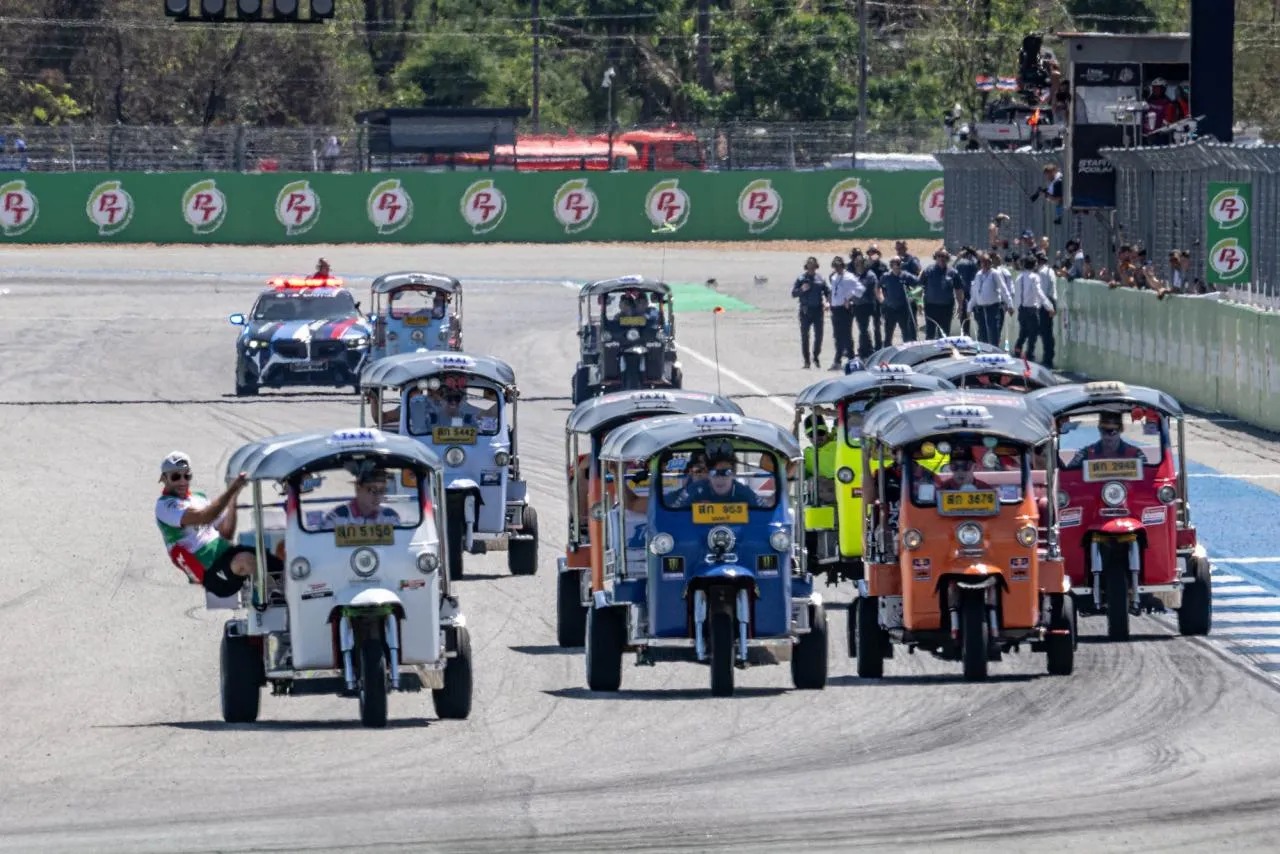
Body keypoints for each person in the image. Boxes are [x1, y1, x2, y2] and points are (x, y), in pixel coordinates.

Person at [154, 451, 281, 598]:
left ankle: (287, 591)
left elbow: (226, 532)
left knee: (276, 561)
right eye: (176, 477)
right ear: (164, 478)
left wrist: (233, 498)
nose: (183, 482)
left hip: (227, 554)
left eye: (187, 476)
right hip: (210, 571)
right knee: (246, 560)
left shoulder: (199, 498)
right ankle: (271, 596)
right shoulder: (165, 506)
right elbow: (204, 516)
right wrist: (232, 489)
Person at [322, 465, 401, 527]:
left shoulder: (390, 516)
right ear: (358, 489)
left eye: (382, 490)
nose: (378, 496)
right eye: (372, 490)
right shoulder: (337, 517)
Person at [791, 256, 830, 369]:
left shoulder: (820, 278)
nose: (811, 266)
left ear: (816, 266)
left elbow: (827, 292)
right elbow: (793, 293)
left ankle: (816, 356)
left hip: (818, 310)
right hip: (805, 311)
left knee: (819, 336)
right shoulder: (801, 279)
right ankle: (807, 360)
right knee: (805, 336)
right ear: (806, 266)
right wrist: (801, 289)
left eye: (813, 264)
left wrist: (828, 302)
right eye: (809, 264)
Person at [1012, 254, 1052, 361]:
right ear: (1034, 265)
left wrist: (1017, 307)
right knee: (1033, 334)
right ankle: (1029, 354)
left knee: (1023, 332)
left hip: (1022, 309)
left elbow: (1017, 294)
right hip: (1032, 310)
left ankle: (1017, 350)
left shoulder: (1019, 277)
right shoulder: (1034, 277)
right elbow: (1039, 292)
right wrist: (1049, 306)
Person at [919, 249, 965, 340]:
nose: (941, 258)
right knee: (930, 334)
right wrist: (919, 303)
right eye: (939, 256)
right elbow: (919, 287)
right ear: (935, 257)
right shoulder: (928, 271)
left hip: (947, 308)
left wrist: (960, 306)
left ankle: (943, 349)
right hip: (930, 307)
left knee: (944, 334)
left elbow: (959, 290)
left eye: (944, 256)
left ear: (947, 258)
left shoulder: (953, 273)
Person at [967, 253, 1012, 346]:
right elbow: (975, 293)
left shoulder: (995, 273)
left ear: (990, 262)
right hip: (980, 308)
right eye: (983, 262)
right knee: (982, 332)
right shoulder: (978, 274)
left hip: (992, 308)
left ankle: (994, 350)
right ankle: (984, 351)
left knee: (993, 332)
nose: (985, 264)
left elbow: (1003, 289)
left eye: (987, 262)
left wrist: (1010, 304)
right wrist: (969, 308)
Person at [1068, 412, 1144, 467]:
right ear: (1099, 429)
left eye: (1112, 431)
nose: (1107, 436)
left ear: (1121, 429)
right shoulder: (1084, 454)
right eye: (1103, 430)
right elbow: (1068, 476)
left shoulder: (1136, 454)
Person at [827, 255, 861, 369]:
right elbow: (832, 291)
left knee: (846, 335)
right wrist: (829, 302)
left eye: (839, 266)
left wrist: (849, 298)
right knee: (837, 336)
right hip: (835, 309)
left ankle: (851, 359)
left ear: (843, 266)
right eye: (835, 266)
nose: (837, 268)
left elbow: (859, 290)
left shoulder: (849, 277)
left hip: (844, 309)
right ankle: (837, 361)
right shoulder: (834, 277)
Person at [879, 256, 918, 345]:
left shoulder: (906, 276)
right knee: (888, 333)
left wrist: (912, 296)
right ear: (891, 265)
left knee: (906, 332)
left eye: (898, 264)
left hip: (903, 308)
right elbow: (878, 287)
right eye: (894, 264)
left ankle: (907, 349)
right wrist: (881, 298)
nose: (896, 266)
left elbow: (918, 284)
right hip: (890, 308)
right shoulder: (886, 276)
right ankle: (887, 348)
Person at [850, 253, 883, 359]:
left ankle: (867, 350)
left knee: (866, 329)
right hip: (858, 306)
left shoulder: (870, 275)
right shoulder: (856, 275)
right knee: (862, 329)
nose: (857, 266)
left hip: (867, 305)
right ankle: (866, 348)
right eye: (856, 264)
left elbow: (864, 290)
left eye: (859, 264)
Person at [802, 416, 838, 504]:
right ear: (807, 436)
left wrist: (828, 413)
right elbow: (790, 444)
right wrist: (796, 422)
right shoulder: (807, 453)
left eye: (820, 433)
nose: (817, 437)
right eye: (812, 434)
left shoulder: (838, 441)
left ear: (826, 432)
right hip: (819, 497)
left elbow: (849, 419)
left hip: (842, 483)